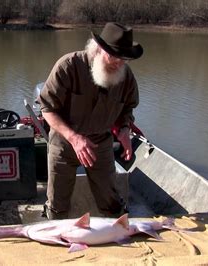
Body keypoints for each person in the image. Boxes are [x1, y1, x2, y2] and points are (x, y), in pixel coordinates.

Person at [38, 22, 143, 219]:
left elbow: (127, 107)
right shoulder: (68, 66)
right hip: (64, 142)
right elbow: (47, 108)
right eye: (114, 56)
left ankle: (119, 237)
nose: (118, 63)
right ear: (99, 49)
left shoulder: (125, 76)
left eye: (124, 58)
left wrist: (124, 130)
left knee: (111, 202)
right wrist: (74, 138)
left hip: (100, 142)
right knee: (57, 206)